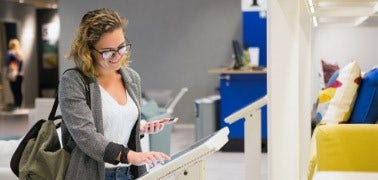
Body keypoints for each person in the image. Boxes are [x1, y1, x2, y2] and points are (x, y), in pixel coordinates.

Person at [59, 8, 171, 180]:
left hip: (128, 174)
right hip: (92, 174)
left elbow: (112, 123)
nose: (117, 56)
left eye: (121, 47)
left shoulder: (132, 78)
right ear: (88, 51)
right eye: (108, 52)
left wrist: (141, 127)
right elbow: (86, 137)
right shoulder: (74, 81)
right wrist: (131, 156)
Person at [6, 38, 24, 111]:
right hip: (20, 74)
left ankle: (16, 105)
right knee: (18, 90)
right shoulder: (19, 53)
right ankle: (18, 105)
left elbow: (7, 63)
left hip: (12, 74)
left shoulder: (10, 53)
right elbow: (21, 65)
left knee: (14, 90)